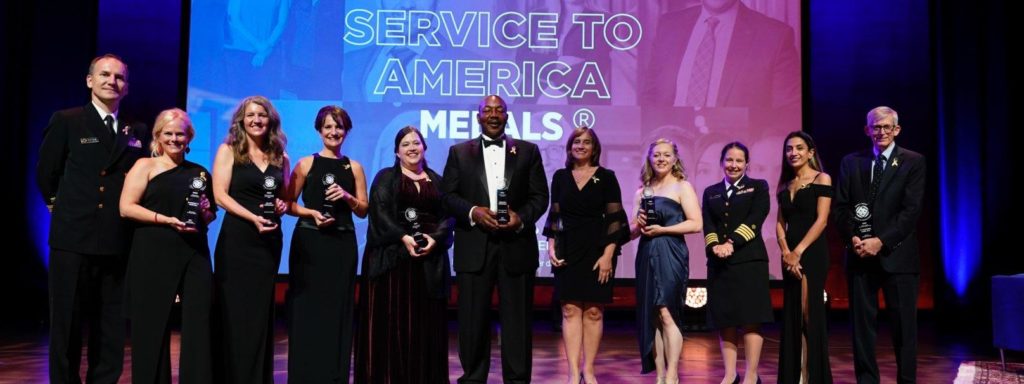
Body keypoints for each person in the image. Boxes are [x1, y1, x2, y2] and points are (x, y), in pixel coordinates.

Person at [36, 53, 150, 384]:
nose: (112, 81)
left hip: (117, 238)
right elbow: (46, 173)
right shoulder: (68, 120)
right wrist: (59, 207)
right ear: (89, 81)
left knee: (111, 324)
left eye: (119, 77)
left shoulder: (136, 129)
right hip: (73, 238)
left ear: (127, 87)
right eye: (104, 74)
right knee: (67, 321)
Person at [441, 95, 549, 383]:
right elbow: (447, 196)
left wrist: (520, 218)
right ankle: (473, 378)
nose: (493, 114)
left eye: (498, 110)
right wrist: (474, 212)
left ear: (506, 116)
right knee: (472, 320)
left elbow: (540, 197)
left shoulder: (528, 151)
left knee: (518, 321)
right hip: (473, 245)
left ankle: (517, 380)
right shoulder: (458, 153)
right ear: (478, 117)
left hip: (517, 245)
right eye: (487, 110)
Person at [119, 109, 217, 383]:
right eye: (169, 133)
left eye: (180, 134)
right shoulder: (144, 166)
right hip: (152, 252)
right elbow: (126, 208)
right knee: (150, 327)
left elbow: (209, 217)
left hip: (194, 253)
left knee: (199, 325)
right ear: (158, 136)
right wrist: (166, 220)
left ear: (189, 138)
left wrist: (205, 210)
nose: (175, 139)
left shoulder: (200, 173)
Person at [355, 126, 454, 383]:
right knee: (393, 327)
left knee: (425, 326)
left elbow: (448, 216)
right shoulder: (386, 177)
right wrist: (403, 237)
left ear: (424, 148)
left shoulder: (438, 180)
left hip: (428, 262)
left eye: (416, 143)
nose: (412, 148)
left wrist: (435, 238)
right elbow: (379, 213)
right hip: (393, 263)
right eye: (406, 144)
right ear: (397, 152)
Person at [835, 106, 926, 384]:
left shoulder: (913, 161)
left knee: (904, 329)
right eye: (876, 127)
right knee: (862, 330)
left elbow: (911, 212)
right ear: (867, 130)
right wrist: (853, 237)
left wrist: (881, 241)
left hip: (898, 257)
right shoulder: (851, 162)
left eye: (887, 127)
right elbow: (841, 207)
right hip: (860, 257)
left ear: (897, 130)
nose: (881, 132)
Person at [285, 106, 367, 383]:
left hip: (342, 245)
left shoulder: (354, 167)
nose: (334, 132)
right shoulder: (305, 164)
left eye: (339, 127)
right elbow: (287, 204)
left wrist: (346, 196)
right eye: (328, 127)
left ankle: (334, 375)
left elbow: (363, 210)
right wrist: (311, 213)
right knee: (306, 309)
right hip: (310, 243)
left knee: (338, 310)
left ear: (346, 131)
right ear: (319, 130)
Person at [211, 96, 290, 383]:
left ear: (271, 120)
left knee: (259, 314)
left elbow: (284, 198)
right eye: (250, 115)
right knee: (234, 311)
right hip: (238, 240)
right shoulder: (229, 150)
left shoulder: (281, 156)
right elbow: (219, 196)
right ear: (241, 120)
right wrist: (252, 218)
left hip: (268, 243)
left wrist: (281, 205)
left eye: (262, 115)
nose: (256, 120)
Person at [543, 127, 630, 384]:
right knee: (570, 310)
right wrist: (551, 246)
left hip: (598, 249)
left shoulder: (607, 177)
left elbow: (615, 220)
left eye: (587, 142)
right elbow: (555, 215)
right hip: (567, 248)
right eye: (576, 142)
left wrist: (608, 256)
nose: (581, 146)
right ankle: (572, 372)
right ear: (570, 147)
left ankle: (588, 370)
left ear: (594, 148)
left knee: (593, 311)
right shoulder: (560, 177)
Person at [629, 139, 703, 384]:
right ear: (650, 158)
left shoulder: (682, 186)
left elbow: (696, 224)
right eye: (656, 155)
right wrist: (637, 224)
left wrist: (663, 230)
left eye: (666, 155)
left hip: (671, 252)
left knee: (667, 311)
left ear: (675, 159)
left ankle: (672, 374)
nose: (661, 159)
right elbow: (633, 232)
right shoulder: (642, 191)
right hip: (647, 253)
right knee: (653, 316)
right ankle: (660, 375)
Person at [642, 0, 799, 110]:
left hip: (737, 146)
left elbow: (786, 113)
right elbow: (650, 96)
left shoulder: (775, 36)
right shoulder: (668, 25)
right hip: (667, 142)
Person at [701, 142, 772, 384]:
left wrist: (731, 242)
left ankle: (751, 375)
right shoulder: (710, 191)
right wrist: (714, 246)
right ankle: (730, 374)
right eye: (729, 160)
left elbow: (756, 218)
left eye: (739, 160)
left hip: (749, 261)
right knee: (726, 318)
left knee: (751, 317)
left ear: (747, 164)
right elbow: (708, 224)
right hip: (720, 262)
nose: (733, 165)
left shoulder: (758, 187)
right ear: (722, 162)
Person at [775, 131, 833, 384]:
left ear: (810, 152)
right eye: (789, 148)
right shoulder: (785, 184)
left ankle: (813, 376)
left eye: (799, 148)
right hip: (789, 256)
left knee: (809, 315)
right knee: (793, 316)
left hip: (811, 253)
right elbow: (780, 224)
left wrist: (797, 252)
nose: (793, 153)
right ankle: (795, 376)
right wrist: (786, 252)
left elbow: (822, 221)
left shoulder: (822, 178)